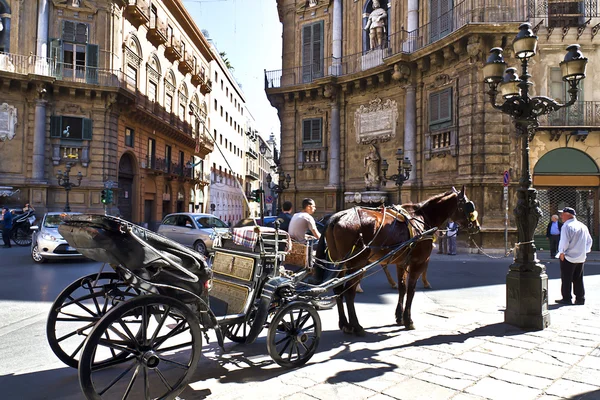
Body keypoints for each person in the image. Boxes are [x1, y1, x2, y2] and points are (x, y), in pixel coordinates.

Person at [555, 207, 592, 305]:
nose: (561, 216)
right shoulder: (582, 226)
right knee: (578, 278)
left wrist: (561, 252)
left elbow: (564, 241)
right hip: (580, 257)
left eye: (562, 214)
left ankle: (567, 298)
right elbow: (589, 241)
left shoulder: (567, 226)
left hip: (569, 256)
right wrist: (584, 251)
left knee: (566, 278)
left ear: (568, 215)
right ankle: (580, 298)